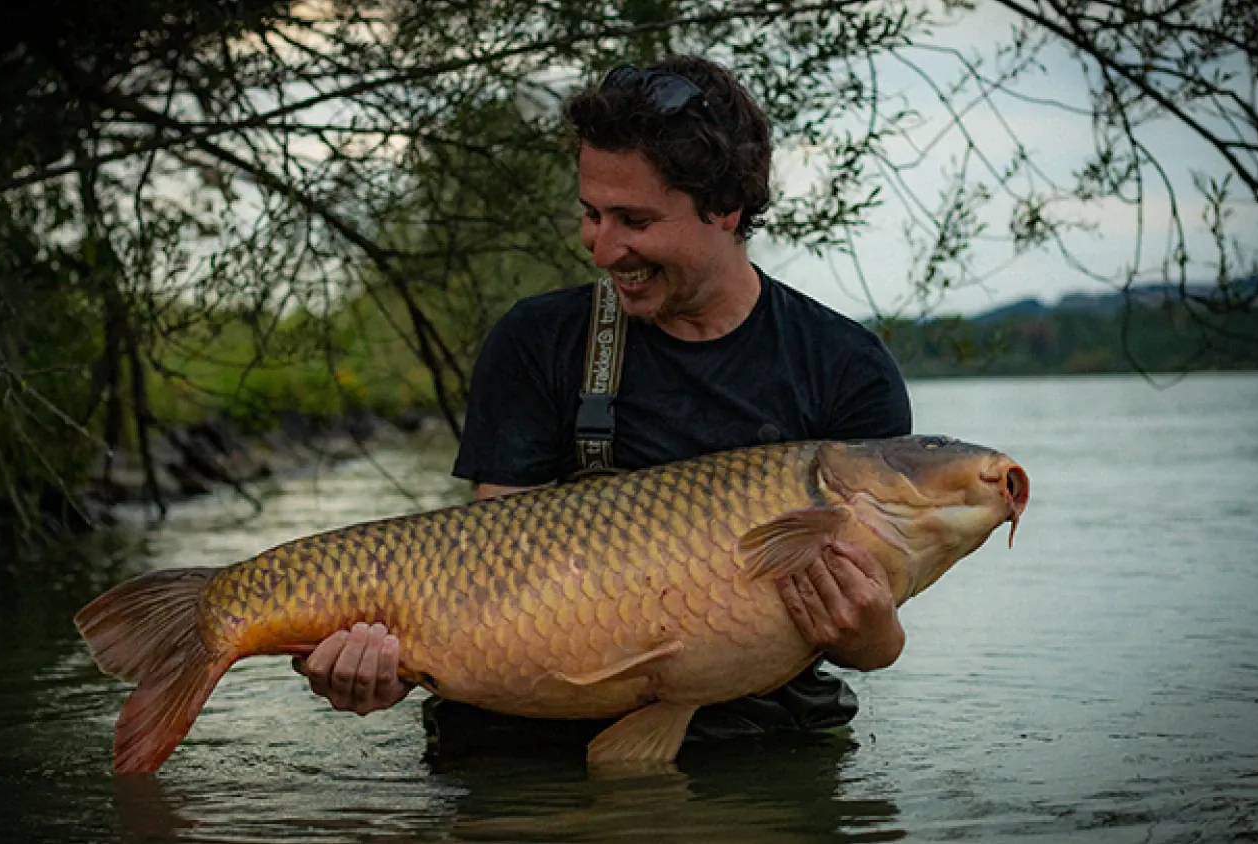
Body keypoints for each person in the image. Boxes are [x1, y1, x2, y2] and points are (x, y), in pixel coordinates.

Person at [291, 55, 913, 755]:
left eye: (635, 219)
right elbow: (483, 584)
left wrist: (871, 635)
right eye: (591, 213)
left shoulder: (844, 368)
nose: (602, 248)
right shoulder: (539, 341)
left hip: (752, 749)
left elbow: (874, 641)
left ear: (726, 207)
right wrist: (391, 664)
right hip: (528, 744)